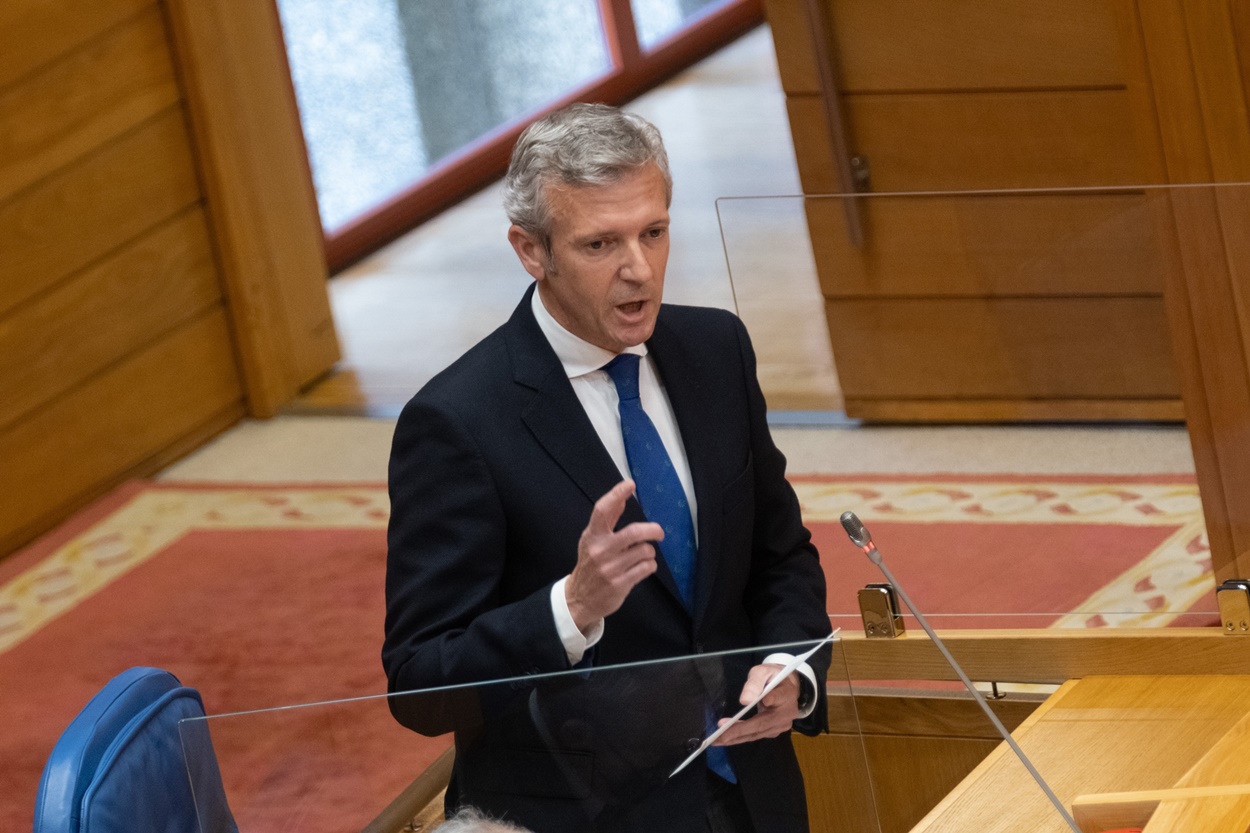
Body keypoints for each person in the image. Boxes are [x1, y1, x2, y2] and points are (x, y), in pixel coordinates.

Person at [383, 103, 829, 833]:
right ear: (532, 251)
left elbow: (779, 556)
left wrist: (792, 668)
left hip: (753, 795)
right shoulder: (459, 423)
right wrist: (571, 607)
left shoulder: (717, 349)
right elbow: (420, 684)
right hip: (588, 815)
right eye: (600, 244)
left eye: (654, 232)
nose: (640, 269)